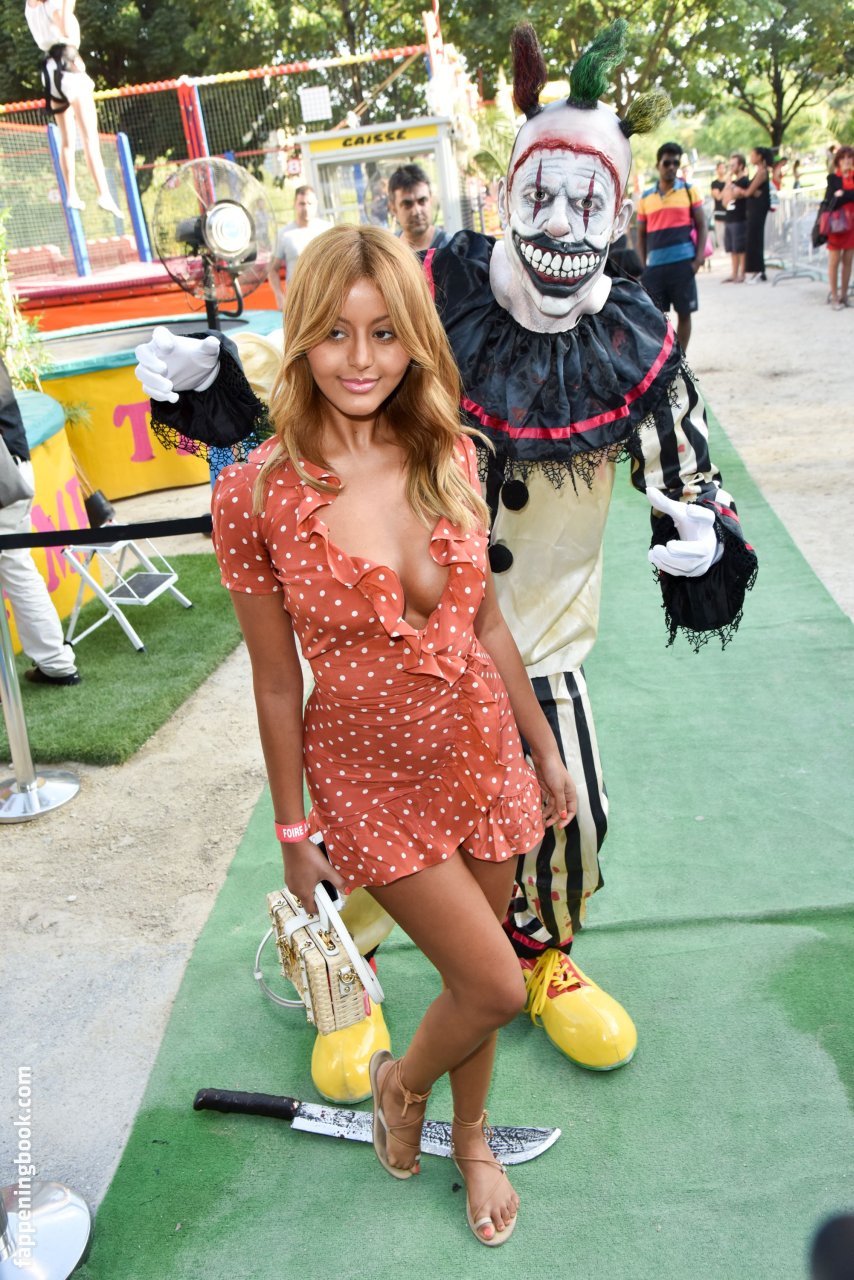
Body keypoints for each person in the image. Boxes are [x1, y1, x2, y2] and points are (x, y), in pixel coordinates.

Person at [134, 19, 758, 1102]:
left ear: (617, 210)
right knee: (370, 839)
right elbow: (329, 362)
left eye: (586, 202)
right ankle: (353, 969)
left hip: (528, 635)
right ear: (508, 189)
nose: (559, 223)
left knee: (574, 813)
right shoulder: (439, 284)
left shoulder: (634, 338)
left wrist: (705, 528)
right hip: (379, 672)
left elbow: (684, 467)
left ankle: (535, 954)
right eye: (541, 194)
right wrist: (219, 382)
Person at [211, 224, 577, 1246]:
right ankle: (401, 1086)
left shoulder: (450, 453)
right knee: (495, 984)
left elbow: (486, 624)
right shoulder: (254, 494)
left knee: (475, 977)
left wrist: (543, 747)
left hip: (480, 752)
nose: (361, 358)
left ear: (414, 338)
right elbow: (275, 683)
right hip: (369, 780)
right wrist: (293, 833)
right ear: (300, 338)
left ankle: (472, 1141)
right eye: (334, 332)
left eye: (383, 332)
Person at [0, 354, 80, 686]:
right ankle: (56, 662)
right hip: (15, 466)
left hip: (7, 473)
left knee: (17, 564)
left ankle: (55, 662)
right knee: (17, 564)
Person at [23, 0, 123, 219]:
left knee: (67, 140)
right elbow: (66, 29)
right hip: (68, 66)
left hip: (50, 73)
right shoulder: (54, 4)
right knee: (89, 137)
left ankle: (72, 194)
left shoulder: (30, 7)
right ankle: (103, 193)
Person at [637, 141, 707, 349]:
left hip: (683, 265)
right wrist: (643, 267)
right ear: (658, 165)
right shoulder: (646, 198)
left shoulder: (689, 191)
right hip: (655, 268)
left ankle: (680, 358)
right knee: (655, 316)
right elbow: (640, 234)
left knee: (684, 313)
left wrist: (698, 260)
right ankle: (664, 358)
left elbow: (702, 225)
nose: (671, 167)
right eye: (667, 163)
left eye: (675, 163)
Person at [266, 186, 332, 309]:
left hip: (325, 299)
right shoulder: (284, 234)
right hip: (297, 301)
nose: (306, 208)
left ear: (316, 204)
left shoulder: (328, 231)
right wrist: (279, 296)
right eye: (302, 203)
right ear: (295, 204)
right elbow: (272, 269)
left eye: (309, 203)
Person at [729, 146, 773, 283]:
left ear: (759, 157)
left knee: (755, 239)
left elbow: (749, 192)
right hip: (754, 208)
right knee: (753, 238)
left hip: (758, 209)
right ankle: (757, 270)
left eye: (753, 155)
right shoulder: (759, 172)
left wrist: (739, 190)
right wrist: (750, 192)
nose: (751, 158)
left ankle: (757, 270)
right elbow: (752, 191)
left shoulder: (762, 172)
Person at [388, 164, 449, 252]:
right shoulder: (389, 250)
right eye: (407, 204)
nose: (416, 211)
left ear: (431, 200)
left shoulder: (450, 249)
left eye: (422, 200)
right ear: (393, 209)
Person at [822, 144, 854, 310]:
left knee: (848, 261)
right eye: (843, 158)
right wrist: (847, 195)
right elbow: (832, 200)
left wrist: (844, 194)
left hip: (852, 225)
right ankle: (834, 296)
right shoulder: (833, 178)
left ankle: (844, 295)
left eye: (850, 157)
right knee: (834, 261)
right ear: (838, 161)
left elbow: (843, 195)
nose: (847, 161)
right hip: (837, 224)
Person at [721, 153, 750, 283]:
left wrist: (731, 190)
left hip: (740, 218)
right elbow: (724, 200)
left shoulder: (744, 181)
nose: (731, 167)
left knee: (741, 248)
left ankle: (742, 273)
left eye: (733, 165)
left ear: (741, 165)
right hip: (730, 218)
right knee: (732, 248)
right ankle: (734, 273)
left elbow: (734, 195)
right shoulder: (732, 182)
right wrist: (729, 185)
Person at [710, 159, 728, 250]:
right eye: (720, 168)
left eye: (723, 168)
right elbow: (718, 197)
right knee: (720, 235)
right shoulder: (715, 184)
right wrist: (726, 186)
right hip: (719, 212)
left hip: (729, 212)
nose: (722, 170)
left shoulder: (729, 182)